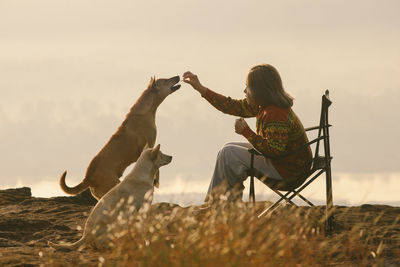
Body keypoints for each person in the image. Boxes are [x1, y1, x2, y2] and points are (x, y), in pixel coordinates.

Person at [183, 64, 313, 203]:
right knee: (227, 148)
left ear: (259, 90)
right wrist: (199, 87)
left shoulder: (275, 113)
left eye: (248, 87)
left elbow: (274, 151)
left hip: (288, 173)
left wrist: (246, 132)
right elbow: (230, 106)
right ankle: (218, 202)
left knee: (229, 153)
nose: (245, 90)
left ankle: (222, 204)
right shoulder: (263, 106)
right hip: (285, 164)